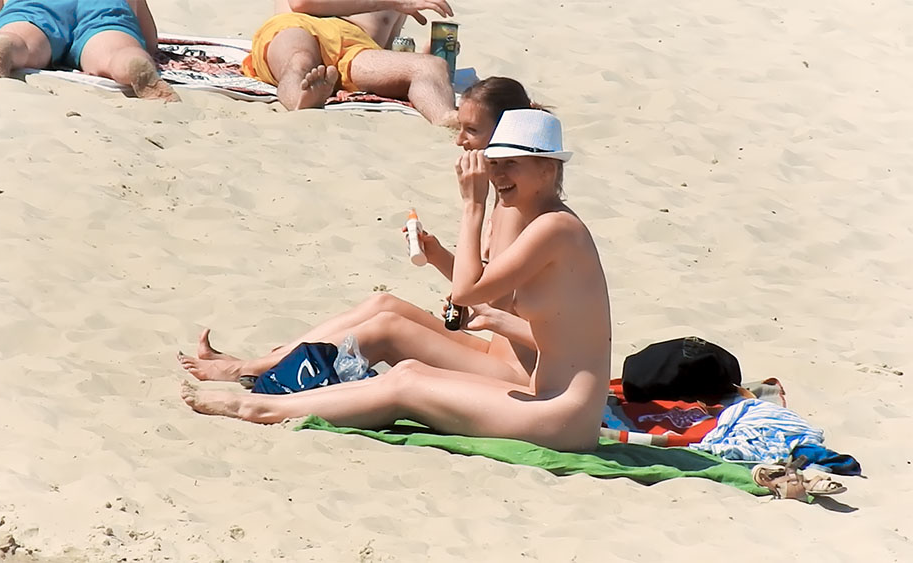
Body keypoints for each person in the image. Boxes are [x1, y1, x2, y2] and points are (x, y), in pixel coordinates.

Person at [180, 109, 612, 452]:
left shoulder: (555, 229)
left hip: (563, 417)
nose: (497, 175)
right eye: (493, 163)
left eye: (510, 165)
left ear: (548, 171)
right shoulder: (545, 223)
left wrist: (471, 207)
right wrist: (482, 304)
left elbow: (469, 291)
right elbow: (544, 325)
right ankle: (266, 384)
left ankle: (257, 406)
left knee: (406, 382)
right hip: (550, 399)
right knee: (406, 367)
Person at [178, 77, 538, 389]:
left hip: (517, 372)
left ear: (506, 135)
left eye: (471, 131)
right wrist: (439, 255)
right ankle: (262, 363)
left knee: (388, 329)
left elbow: (484, 300)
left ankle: (253, 370)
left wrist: (470, 206)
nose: (460, 141)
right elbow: (486, 286)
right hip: (497, 351)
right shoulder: (505, 201)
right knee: (383, 304)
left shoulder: (514, 211)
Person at [242, 0, 457, 125]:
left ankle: (446, 117)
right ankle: (299, 98)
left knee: (431, 66)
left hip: (356, 47)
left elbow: (386, 41)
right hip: (300, 25)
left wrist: (425, 54)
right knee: (299, 59)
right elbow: (302, 3)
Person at [0, 0, 180, 101]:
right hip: (103, 5)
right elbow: (150, 40)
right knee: (113, 47)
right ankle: (128, 61)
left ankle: (10, 45)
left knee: (26, 35)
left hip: (40, 5)